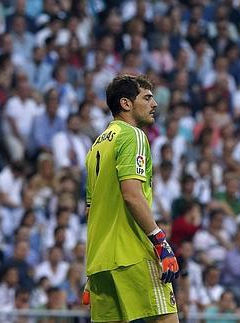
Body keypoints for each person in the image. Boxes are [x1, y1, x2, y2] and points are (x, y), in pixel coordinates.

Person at [85, 75, 180, 322]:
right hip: (132, 254)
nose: (155, 104)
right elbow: (131, 195)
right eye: (147, 98)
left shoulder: (97, 146)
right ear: (126, 104)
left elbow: (91, 211)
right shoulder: (132, 135)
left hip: (100, 263)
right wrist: (161, 242)